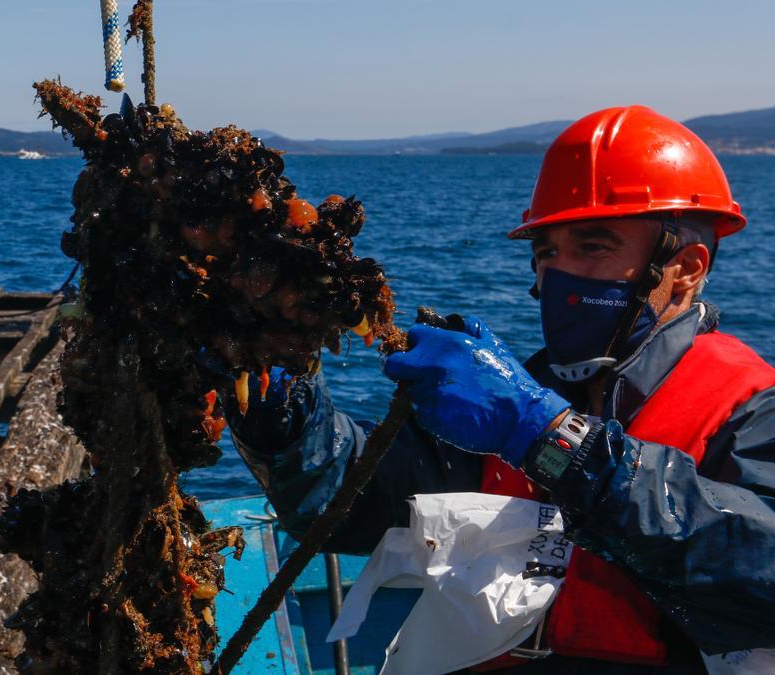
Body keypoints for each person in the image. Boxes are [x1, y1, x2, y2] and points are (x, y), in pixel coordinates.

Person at [224, 106, 775, 673]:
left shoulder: (752, 408)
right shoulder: (514, 400)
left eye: (592, 247)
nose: (555, 275)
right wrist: (286, 421)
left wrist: (555, 441)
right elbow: (350, 503)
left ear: (684, 269)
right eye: (545, 253)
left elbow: (762, 566)